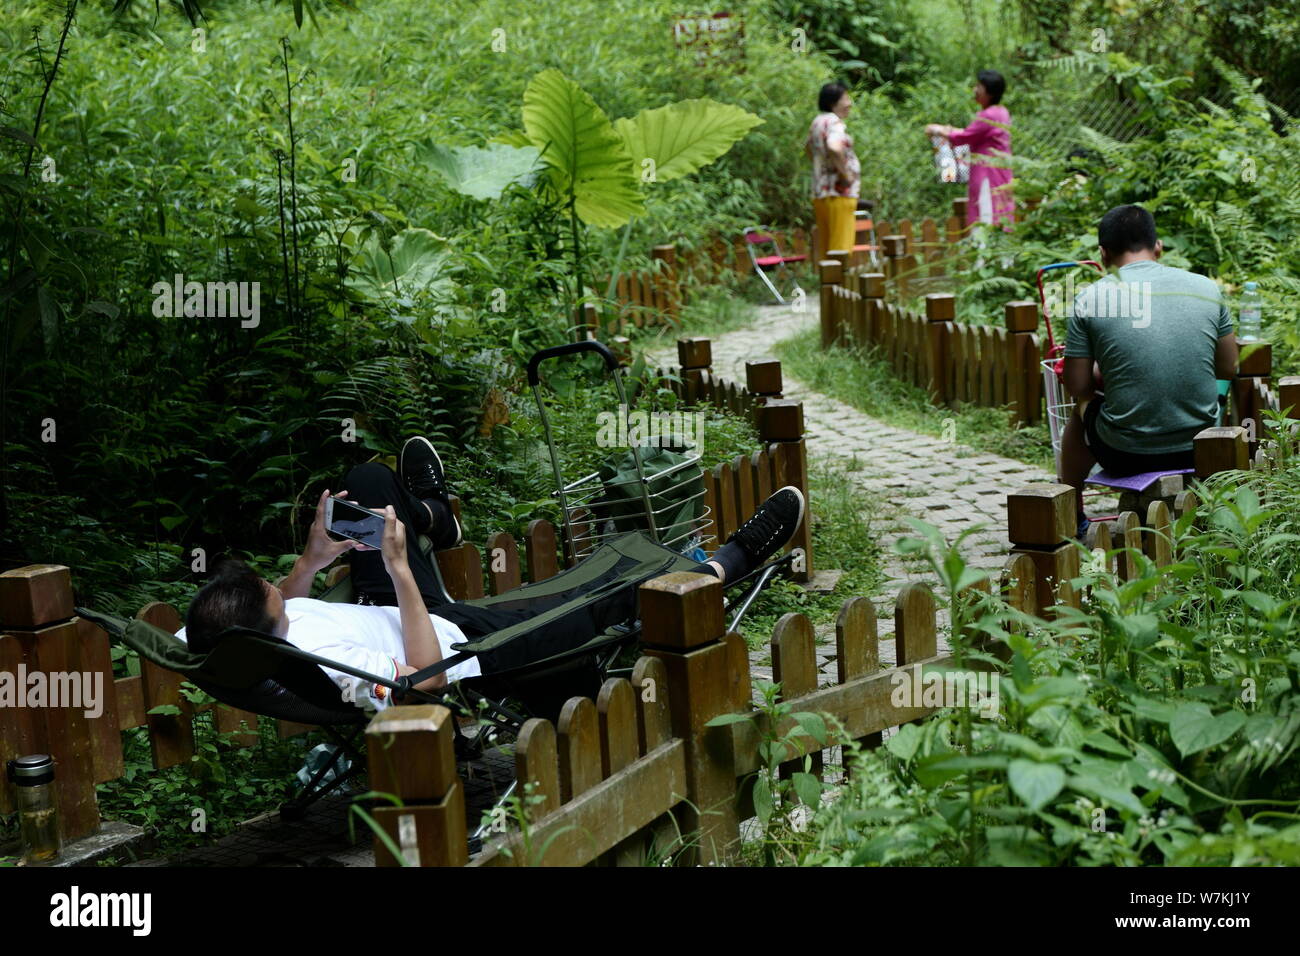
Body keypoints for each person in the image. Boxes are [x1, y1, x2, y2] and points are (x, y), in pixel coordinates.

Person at [180, 436, 806, 711]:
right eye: (272, 590)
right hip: (452, 638)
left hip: (389, 610)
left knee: (366, 483)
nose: (278, 585)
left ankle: (434, 518)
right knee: (592, 601)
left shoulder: (214, 635)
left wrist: (314, 560)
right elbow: (423, 680)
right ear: (265, 627)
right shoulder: (331, 667)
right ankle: (724, 564)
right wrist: (398, 569)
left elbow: (285, 606)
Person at [1059, 205, 1238, 536]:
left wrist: (1103, 370)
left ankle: (1072, 512)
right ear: (1158, 247)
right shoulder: (1205, 287)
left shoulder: (1090, 298)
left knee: (1079, 413)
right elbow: (1228, 366)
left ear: (1104, 253)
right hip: (1201, 445)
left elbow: (1077, 385)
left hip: (1126, 454)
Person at [925, 69, 1013, 229]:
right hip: (1000, 173)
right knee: (1000, 213)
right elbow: (972, 134)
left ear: (990, 92)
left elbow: (964, 137)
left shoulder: (989, 115)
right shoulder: (1001, 112)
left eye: (979, 86)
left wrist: (938, 130)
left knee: (987, 217)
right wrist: (948, 130)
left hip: (988, 175)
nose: (975, 90)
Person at [806, 81, 860, 262]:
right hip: (839, 193)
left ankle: (827, 288)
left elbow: (808, 148)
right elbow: (834, 147)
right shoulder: (835, 123)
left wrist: (822, 169)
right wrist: (845, 175)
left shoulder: (818, 122)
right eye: (845, 98)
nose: (849, 103)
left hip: (821, 192)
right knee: (841, 247)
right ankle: (840, 286)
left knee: (827, 246)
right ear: (833, 103)